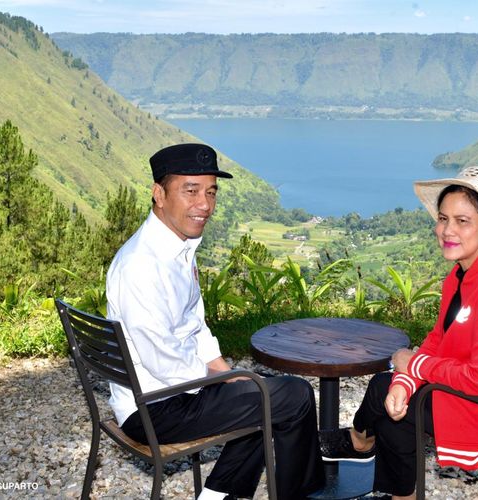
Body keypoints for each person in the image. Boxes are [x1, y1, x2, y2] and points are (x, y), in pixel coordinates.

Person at [105, 143, 325, 500]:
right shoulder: (142, 265)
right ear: (159, 194)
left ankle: (218, 495)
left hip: (164, 392)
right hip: (155, 406)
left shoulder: (176, 249)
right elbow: (164, 361)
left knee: (262, 392)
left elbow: (195, 324)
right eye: (190, 191)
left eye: (210, 192)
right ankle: (300, 494)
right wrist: (223, 381)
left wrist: (224, 370)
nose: (204, 204)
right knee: (292, 395)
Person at [319, 166, 478, 499]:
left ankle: (362, 446)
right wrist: (405, 378)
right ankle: (374, 458)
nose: (447, 230)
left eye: (462, 221)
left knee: (386, 403)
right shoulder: (462, 276)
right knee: (390, 395)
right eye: (443, 219)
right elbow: (439, 339)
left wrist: (411, 365)